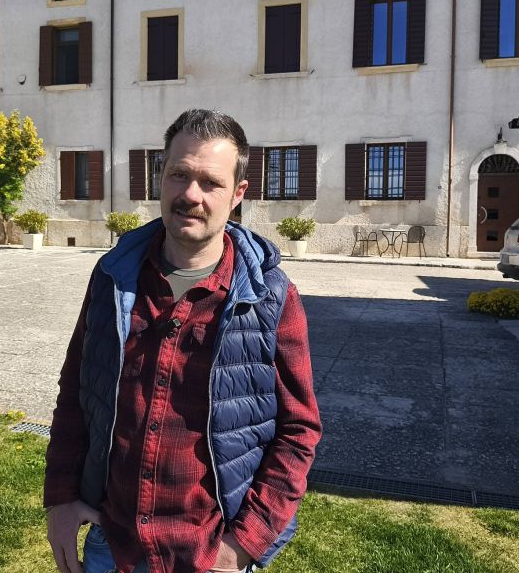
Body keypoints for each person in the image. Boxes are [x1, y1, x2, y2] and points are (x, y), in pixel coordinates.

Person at [44, 109, 322, 573]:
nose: (191, 194)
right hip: (113, 545)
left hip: (211, 551)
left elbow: (298, 431)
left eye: (210, 182)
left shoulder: (271, 297)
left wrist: (243, 544)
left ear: (237, 194)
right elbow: (76, 394)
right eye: (179, 174)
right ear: (161, 177)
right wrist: (60, 498)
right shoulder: (113, 278)